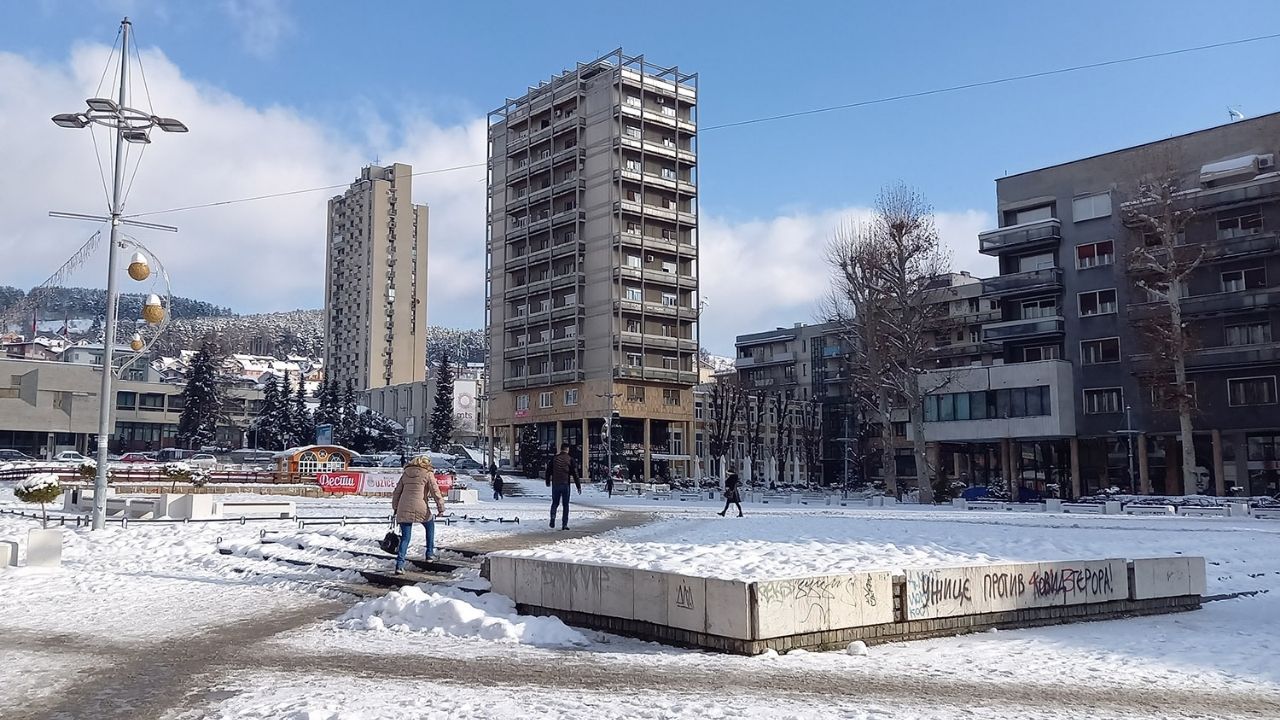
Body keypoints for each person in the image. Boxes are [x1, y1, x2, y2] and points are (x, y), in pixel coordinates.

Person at [390, 455, 446, 574]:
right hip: (421, 507)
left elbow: (397, 492)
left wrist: (395, 507)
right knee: (429, 526)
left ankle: (400, 565)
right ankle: (430, 554)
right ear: (426, 464)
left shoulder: (406, 473)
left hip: (403, 507)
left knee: (405, 538)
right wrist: (440, 508)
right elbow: (435, 492)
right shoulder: (427, 473)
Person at [545, 444, 581, 530]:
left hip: (556, 484)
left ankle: (553, 517)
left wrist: (547, 481)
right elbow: (575, 474)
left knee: (555, 503)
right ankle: (564, 524)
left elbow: (548, 471)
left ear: (560, 449)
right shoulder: (570, 459)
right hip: (565, 484)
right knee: (565, 505)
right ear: (567, 449)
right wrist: (578, 486)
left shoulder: (554, 459)